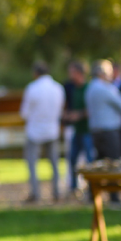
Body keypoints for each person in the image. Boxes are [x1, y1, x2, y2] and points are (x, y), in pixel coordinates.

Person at [86, 60, 121, 204]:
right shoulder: (105, 88)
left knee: (98, 164)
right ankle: (114, 198)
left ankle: (92, 195)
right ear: (102, 73)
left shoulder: (90, 88)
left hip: (96, 130)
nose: (111, 75)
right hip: (109, 131)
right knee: (113, 164)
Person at [20, 62, 65, 202]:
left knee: (32, 164)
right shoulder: (58, 88)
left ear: (36, 73)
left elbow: (24, 113)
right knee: (54, 163)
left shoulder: (32, 88)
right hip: (52, 130)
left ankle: (35, 193)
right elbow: (60, 109)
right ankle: (56, 192)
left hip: (35, 131)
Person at [63, 60, 95, 196]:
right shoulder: (73, 89)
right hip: (77, 130)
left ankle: (91, 188)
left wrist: (79, 115)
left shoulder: (89, 88)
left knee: (89, 160)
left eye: (71, 71)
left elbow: (92, 109)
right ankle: (74, 187)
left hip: (88, 130)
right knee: (72, 159)